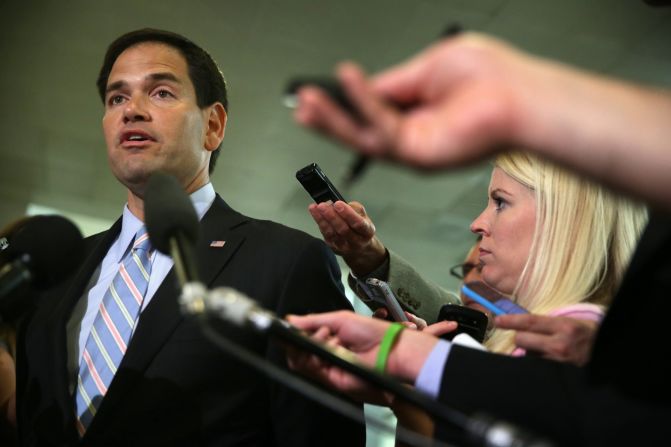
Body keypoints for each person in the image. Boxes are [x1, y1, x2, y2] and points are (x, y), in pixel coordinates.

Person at [288, 31, 671, 445]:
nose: (477, 223)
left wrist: (404, 358)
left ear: (564, 221)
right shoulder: (546, 340)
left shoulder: (571, 347)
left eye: (501, 202)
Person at [13, 29, 364, 447]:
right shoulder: (57, 270)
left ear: (212, 126)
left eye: (160, 93)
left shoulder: (286, 262)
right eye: (117, 98)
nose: (132, 111)